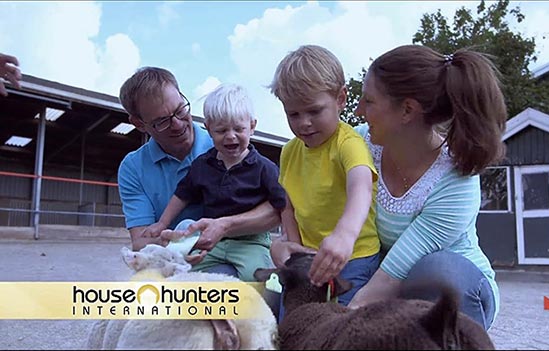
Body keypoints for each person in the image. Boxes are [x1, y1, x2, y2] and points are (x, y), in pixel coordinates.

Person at [348, 45, 506, 331]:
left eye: (369, 101)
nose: (359, 111)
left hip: (454, 287)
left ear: (407, 110)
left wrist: (339, 326)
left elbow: (391, 275)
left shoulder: (457, 180)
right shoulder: (358, 145)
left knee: (436, 272)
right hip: (388, 280)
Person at [117, 67, 280, 274]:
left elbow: (276, 210)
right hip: (184, 252)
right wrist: (179, 241)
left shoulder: (227, 149)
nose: (177, 124)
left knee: (245, 281)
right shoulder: (132, 168)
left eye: (180, 110)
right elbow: (140, 243)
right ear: (139, 124)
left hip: (237, 249)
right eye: (162, 121)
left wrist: (224, 226)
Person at [268, 45, 381, 307]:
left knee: (342, 327)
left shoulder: (348, 144)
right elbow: (288, 206)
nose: (303, 122)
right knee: (296, 321)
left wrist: (344, 235)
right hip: (309, 260)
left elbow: (361, 189)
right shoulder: (289, 152)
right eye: (293, 114)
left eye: (314, 111)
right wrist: (294, 248)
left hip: (354, 257)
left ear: (341, 99)